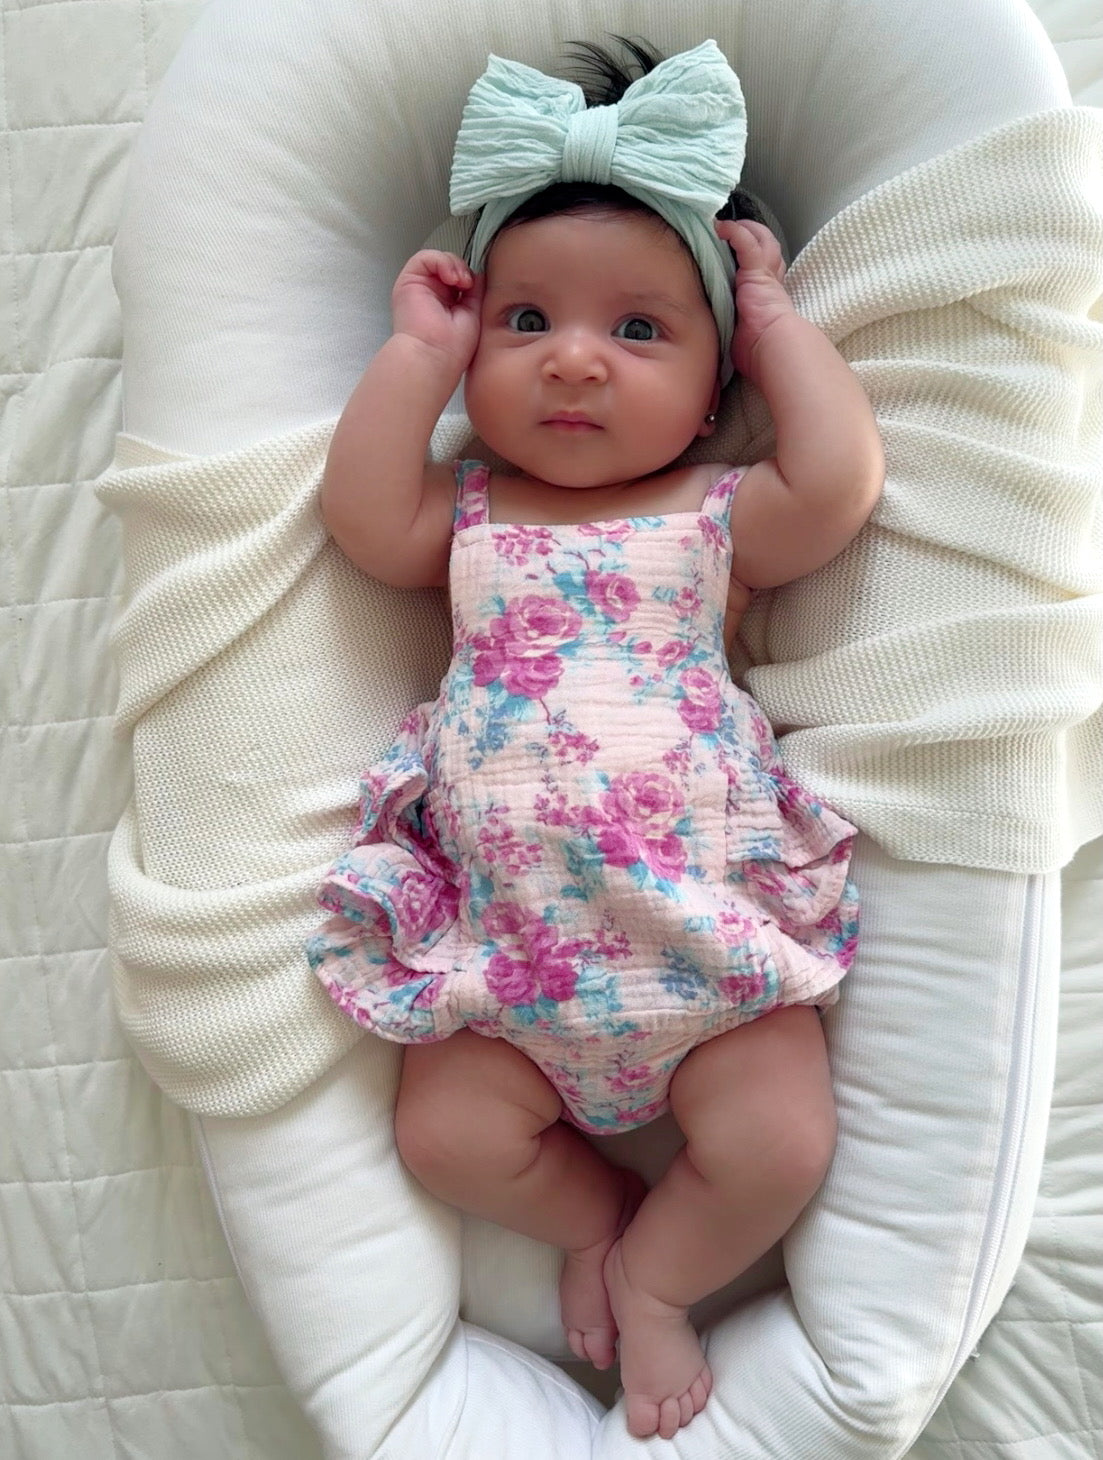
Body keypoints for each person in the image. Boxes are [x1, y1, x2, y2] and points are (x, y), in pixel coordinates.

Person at [308, 37, 884, 1441]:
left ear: (712, 376)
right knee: (445, 1139)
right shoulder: (469, 514)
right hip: (507, 972)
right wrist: (413, 358)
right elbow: (363, 520)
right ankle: (592, 1215)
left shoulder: (715, 511)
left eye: (639, 331)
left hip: (703, 951)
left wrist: (780, 325)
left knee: (779, 1142)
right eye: (525, 324)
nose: (573, 360)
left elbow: (840, 482)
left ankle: (666, 1280)